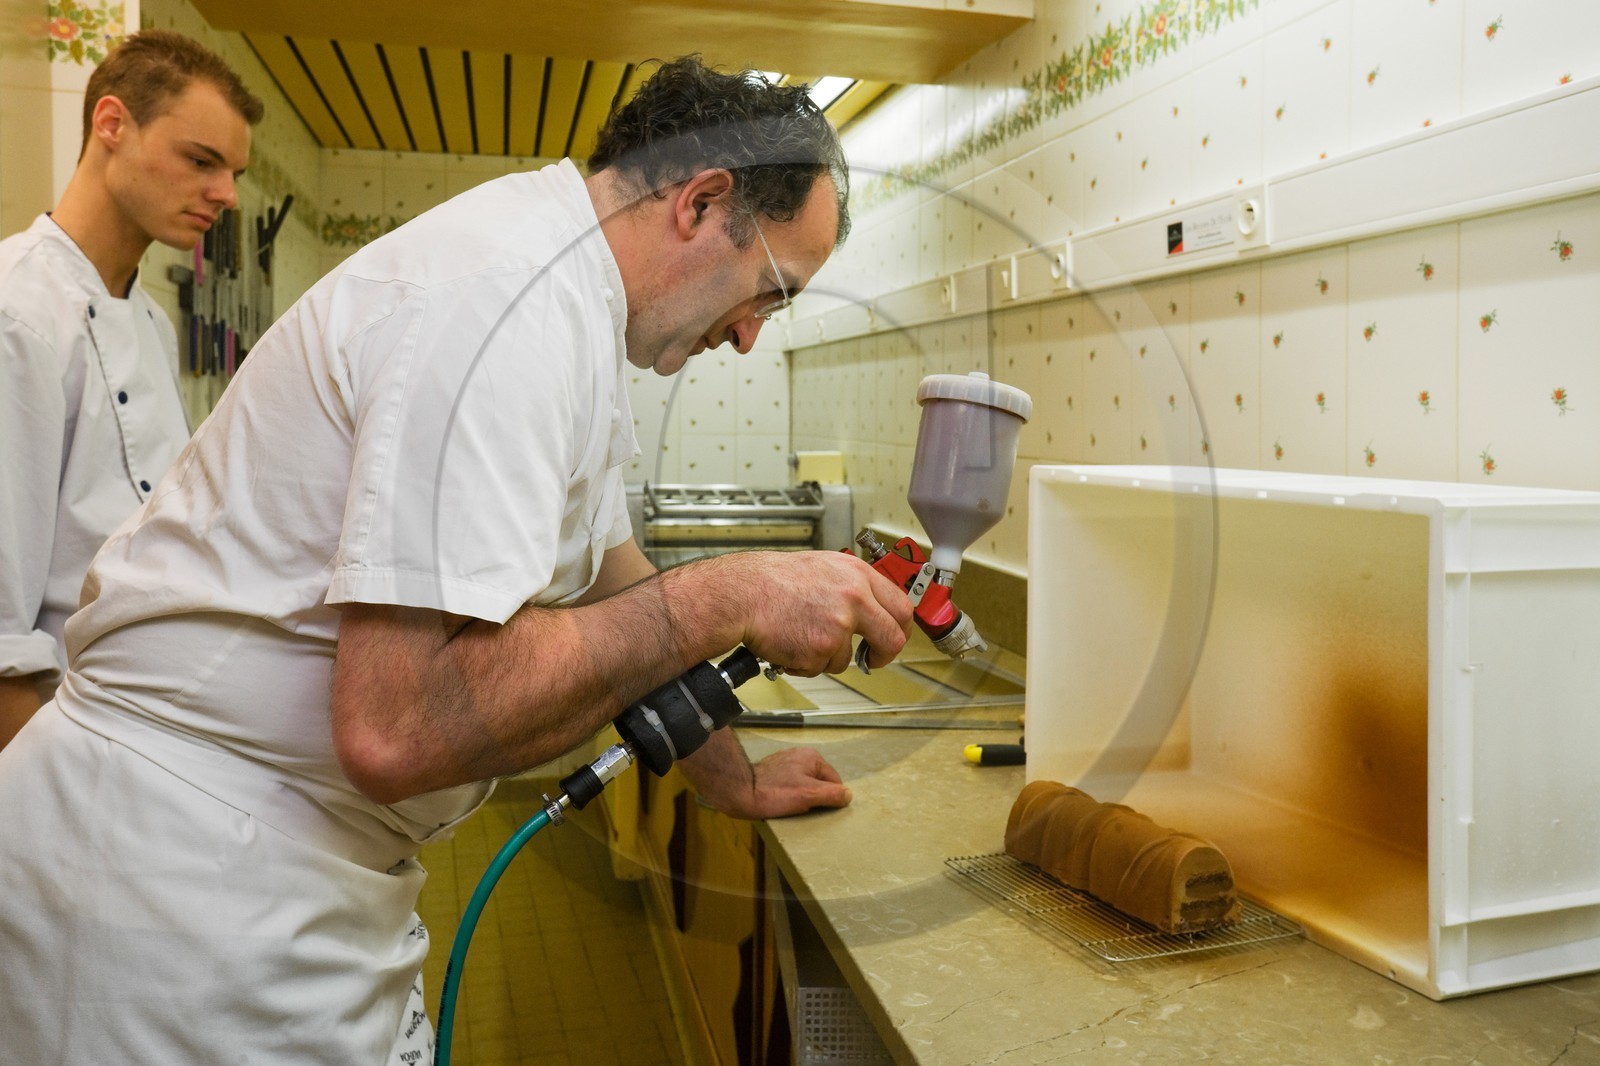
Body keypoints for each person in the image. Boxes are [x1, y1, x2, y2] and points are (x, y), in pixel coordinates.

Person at [0, 56, 912, 1063]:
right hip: (177, 886)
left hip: (284, 866)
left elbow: (618, 576)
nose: (749, 337)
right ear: (701, 203)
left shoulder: (564, 298)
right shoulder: (507, 299)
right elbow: (399, 724)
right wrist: (734, 591)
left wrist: (725, 776)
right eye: (770, 293)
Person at [0, 30, 260, 749]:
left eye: (232, 171)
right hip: (56, 740)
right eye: (201, 161)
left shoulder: (149, 319)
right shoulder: (16, 313)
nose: (226, 195)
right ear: (111, 124)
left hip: (134, 735)